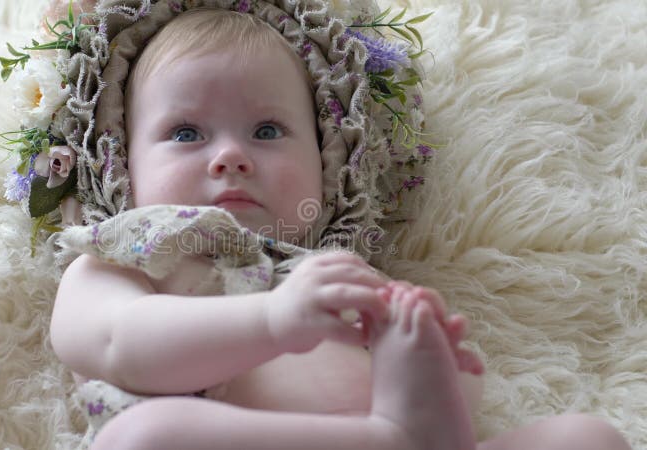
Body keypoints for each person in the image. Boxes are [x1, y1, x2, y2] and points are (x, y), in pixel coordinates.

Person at [40, 3, 632, 450]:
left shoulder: (336, 275)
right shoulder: (119, 260)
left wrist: (433, 359)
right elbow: (122, 344)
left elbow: (453, 407)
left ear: (328, 161)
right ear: (119, 160)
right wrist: (274, 318)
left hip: (411, 433)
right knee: (145, 438)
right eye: (187, 133)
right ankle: (393, 437)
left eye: (267, 132)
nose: (231, 158)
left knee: (587, 437)